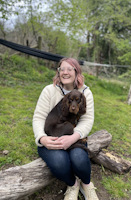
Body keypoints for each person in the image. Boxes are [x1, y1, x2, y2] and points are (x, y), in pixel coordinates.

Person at [32, 57, 99, 200]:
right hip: (50, 135)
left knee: (79, 159)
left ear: (77, 72)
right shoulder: (49, 90)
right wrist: (42, 138)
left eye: (69, 69)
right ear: (58, 72)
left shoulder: (85, 92)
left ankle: (86, 185)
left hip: (72, 134)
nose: (65, 72)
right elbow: (38, 118)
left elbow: (87, 120)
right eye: (61, 69)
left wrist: (73, 138)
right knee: (59, 163)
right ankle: (73, 185)